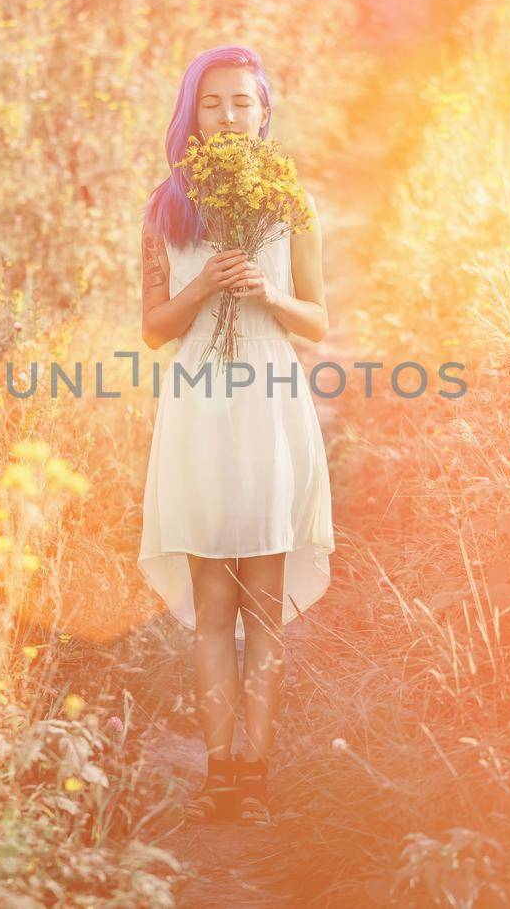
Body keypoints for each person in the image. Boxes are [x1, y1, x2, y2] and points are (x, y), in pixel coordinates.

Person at [137, 44, 335, 825]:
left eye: (241, 104)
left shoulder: (292, 202)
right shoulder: (165, 208)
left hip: (270, 407)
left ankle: (257, 766)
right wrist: (202, 286)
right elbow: (154, 329)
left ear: (263, 113)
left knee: (264, 608)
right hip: (197, 411)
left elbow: (318, 321)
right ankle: (220, 768)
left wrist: (267, 294)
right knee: (213, 606)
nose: (227, 117)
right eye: (212, 103)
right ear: (192, 114)